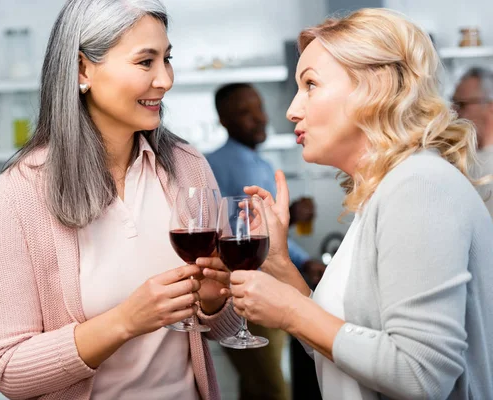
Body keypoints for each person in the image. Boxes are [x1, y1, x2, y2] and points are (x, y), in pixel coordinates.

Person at [202, 8, 493, 400]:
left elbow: (421, 376)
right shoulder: (389, 190)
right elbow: (343, 348)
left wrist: (290, 311)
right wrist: (280, 265)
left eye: (310, 85)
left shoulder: (421, 186)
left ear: (373, 89)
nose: (291, 110)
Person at [0, 1, 239, 399]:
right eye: (145, 62)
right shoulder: (19, 193)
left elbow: (224, 328)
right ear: (83, 69)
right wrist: (126, 321)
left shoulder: (188, 167)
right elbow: (10, 371)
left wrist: (216, 302)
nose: (165, 80)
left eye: (167, 59)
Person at [205, 83, 323, 400]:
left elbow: (265, 230)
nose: (259, 118)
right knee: (274, 389)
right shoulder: (226, 162)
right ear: (223, 120)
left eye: (258, 107)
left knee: (256, 387)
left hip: (265, 284)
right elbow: (248, 233)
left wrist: (297, 254)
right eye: (245, 112)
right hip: (249, 290)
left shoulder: (259, 163)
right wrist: (301, 260)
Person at [452, 67, 493, 216]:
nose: (455, 112)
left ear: (490, 107)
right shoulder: (461, 160)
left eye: (462, 104)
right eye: (453, 103)